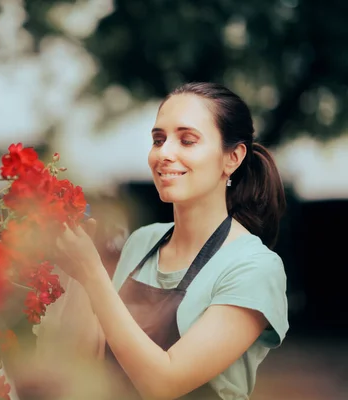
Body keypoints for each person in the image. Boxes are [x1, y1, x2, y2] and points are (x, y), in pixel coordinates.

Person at [53, 82, 289, 399]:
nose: (164, 153)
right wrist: (78, 272)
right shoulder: (142, 243)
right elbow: (86, 359)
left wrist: (94, 275)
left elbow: (164, 383)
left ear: (232, 157)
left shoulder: (254, 268)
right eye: (158, 140)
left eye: (187, 140)